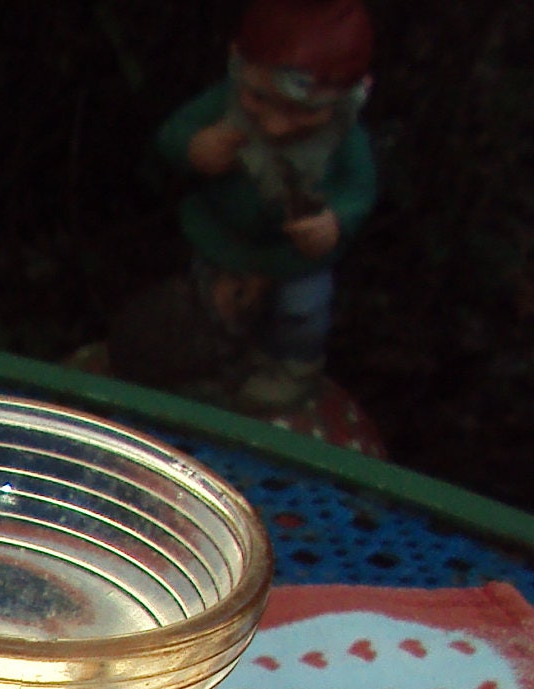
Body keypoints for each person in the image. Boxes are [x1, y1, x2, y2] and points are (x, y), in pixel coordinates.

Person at [149, 0, 376, 412]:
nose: (275, 124)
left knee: (300, 313)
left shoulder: (343, 135)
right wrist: (196, 148)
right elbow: (173, 136)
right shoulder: (225, 104)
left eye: (302, 112)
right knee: (207, 304)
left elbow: (359, 188)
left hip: (293, 258)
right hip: (224, 241)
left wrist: (336, 222)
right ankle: (212, 362)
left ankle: (290, 370)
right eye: (258, 98)